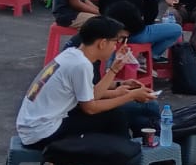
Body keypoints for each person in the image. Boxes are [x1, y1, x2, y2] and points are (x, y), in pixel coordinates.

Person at [15, 16, 159, 149]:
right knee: (116, 117)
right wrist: (130, 96)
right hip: (42, 133)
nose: (115, 47)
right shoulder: (81, 65)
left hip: (33, 127)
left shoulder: (72, 54)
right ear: (103, 43)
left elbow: (91, 95)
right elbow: (91, 108)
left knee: (118, 114)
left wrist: (115, 71)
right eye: (115, 42)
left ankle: (123, 164)